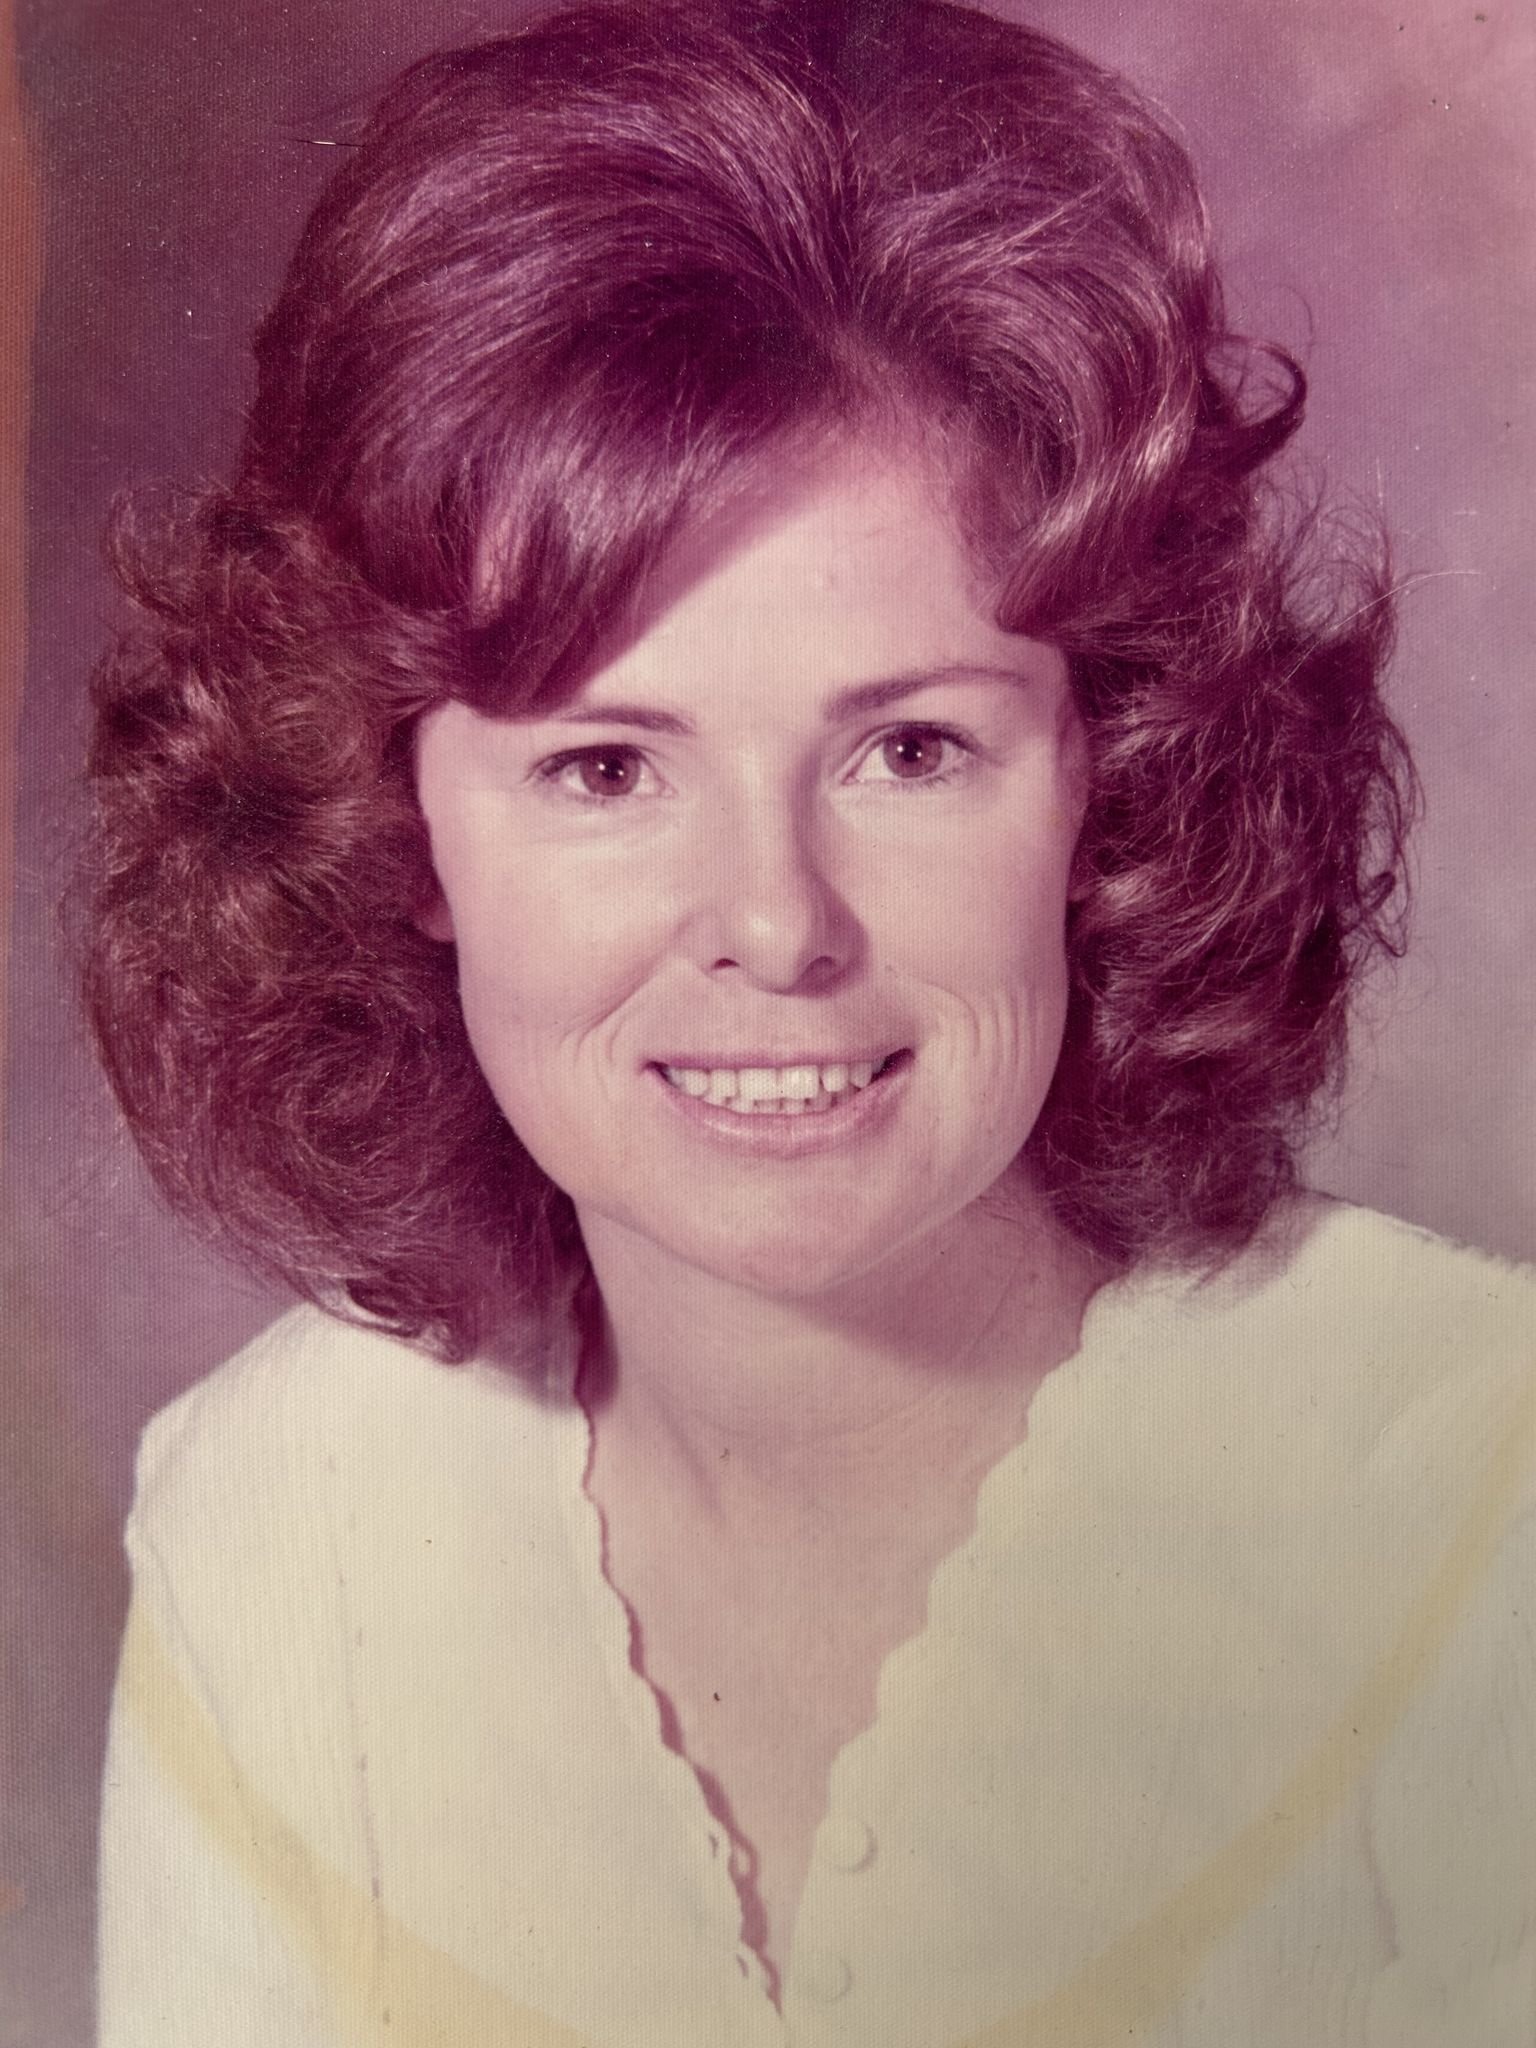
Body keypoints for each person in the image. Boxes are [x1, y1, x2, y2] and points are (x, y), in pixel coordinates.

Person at [82, 2, 1536, 2043]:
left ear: (1105, 775)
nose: (776, 925)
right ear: (393, 825)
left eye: (912, 749)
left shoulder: (1472, 1499)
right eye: (605, 768)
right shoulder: (277, 1531)